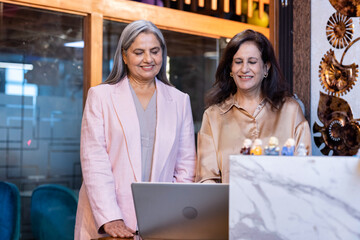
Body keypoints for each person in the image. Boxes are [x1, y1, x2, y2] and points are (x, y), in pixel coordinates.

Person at [75, 20, 196, 239]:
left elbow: (185, 166)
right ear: (124, 56)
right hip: (107, 222)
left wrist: (171, 213)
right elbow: (94, 162)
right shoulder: (101, 97)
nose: (148, 59)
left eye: (155, 51)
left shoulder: (180, 100)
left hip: (161, 221)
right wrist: (110, 217)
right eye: (139, 52)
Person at [196, 29, 311, 183]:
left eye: (252, 62)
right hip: (227, 206)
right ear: (231, 68)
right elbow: (206, 179)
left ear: (266, 67)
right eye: (238, 62)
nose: (244, 69)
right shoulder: (213, 116)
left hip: (282, 205)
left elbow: (305, 173)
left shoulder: (291, 110)